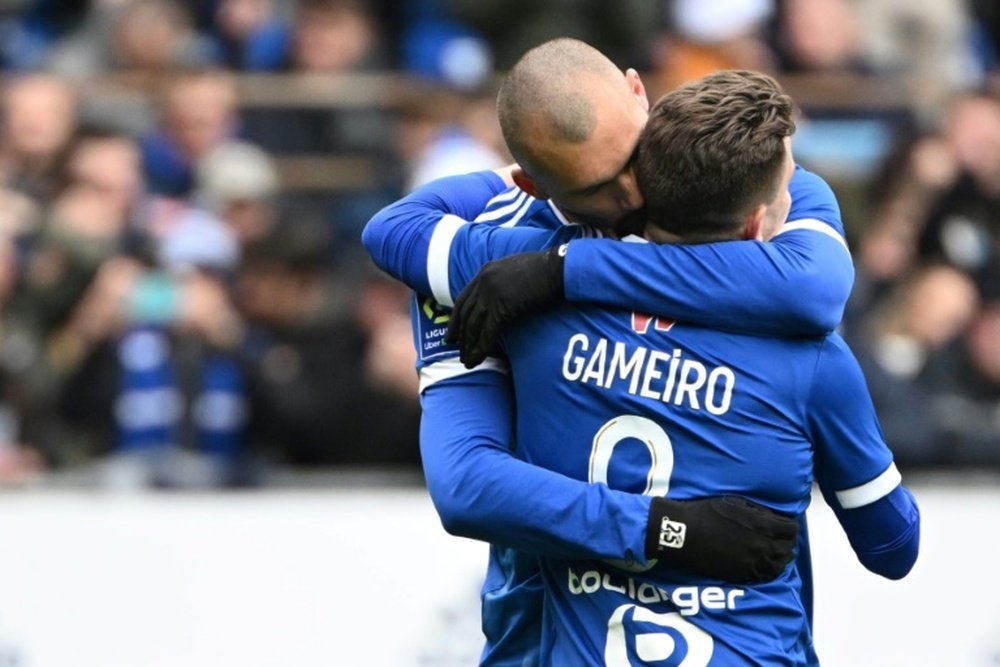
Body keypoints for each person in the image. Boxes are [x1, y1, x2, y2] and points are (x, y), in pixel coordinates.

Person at [370, 68, 919, 664]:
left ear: (643, 97)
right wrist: (669, 528)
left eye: (637, 161)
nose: (634, 195)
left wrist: (565, 269)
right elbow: (467, 485)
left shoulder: (508, 290)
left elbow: (814, 287)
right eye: (606, 183)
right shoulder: (803, 342)